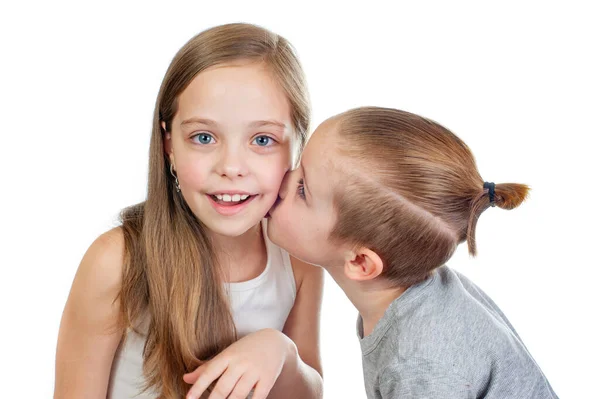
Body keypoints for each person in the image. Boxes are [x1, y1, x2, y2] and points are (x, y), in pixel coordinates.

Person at [54, 23, 323, 399]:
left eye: (262, 139)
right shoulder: (117, 261)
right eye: (204, 137)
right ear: (169, 145)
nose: (231, 166)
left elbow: (308, 394)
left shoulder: (298, 259)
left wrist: (281, 351)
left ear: (296, 146)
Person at [268, 106, 558, 398]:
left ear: (360, 261)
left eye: (303, 189)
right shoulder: (422, 298)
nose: (283, 180)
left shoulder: (419, 361)